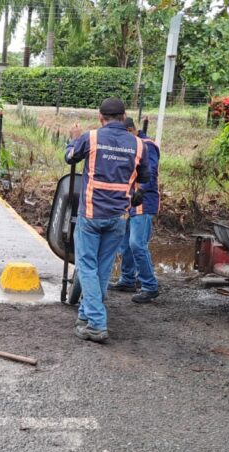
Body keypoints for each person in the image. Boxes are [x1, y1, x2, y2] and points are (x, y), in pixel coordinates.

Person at [64, 97, 149, 343]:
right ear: (124, 117)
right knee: (101, 268)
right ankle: (86, 316)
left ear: (101, 118)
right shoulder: (138, 144)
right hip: (118, 217)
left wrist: (73, 137)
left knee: (87, 267)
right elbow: (144, 178)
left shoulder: (90, 138)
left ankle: (97, 324)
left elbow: (70, 157)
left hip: (91, 215)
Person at [111, 117, 161, 303]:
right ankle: (128, 279)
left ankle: (149, 285)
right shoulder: (133, 145)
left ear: (131, 130)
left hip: (143, 201)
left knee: (137, 244)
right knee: (125, 243)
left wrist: (139, 191)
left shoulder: (147, 146)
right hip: (129, 201)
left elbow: (151, 172)